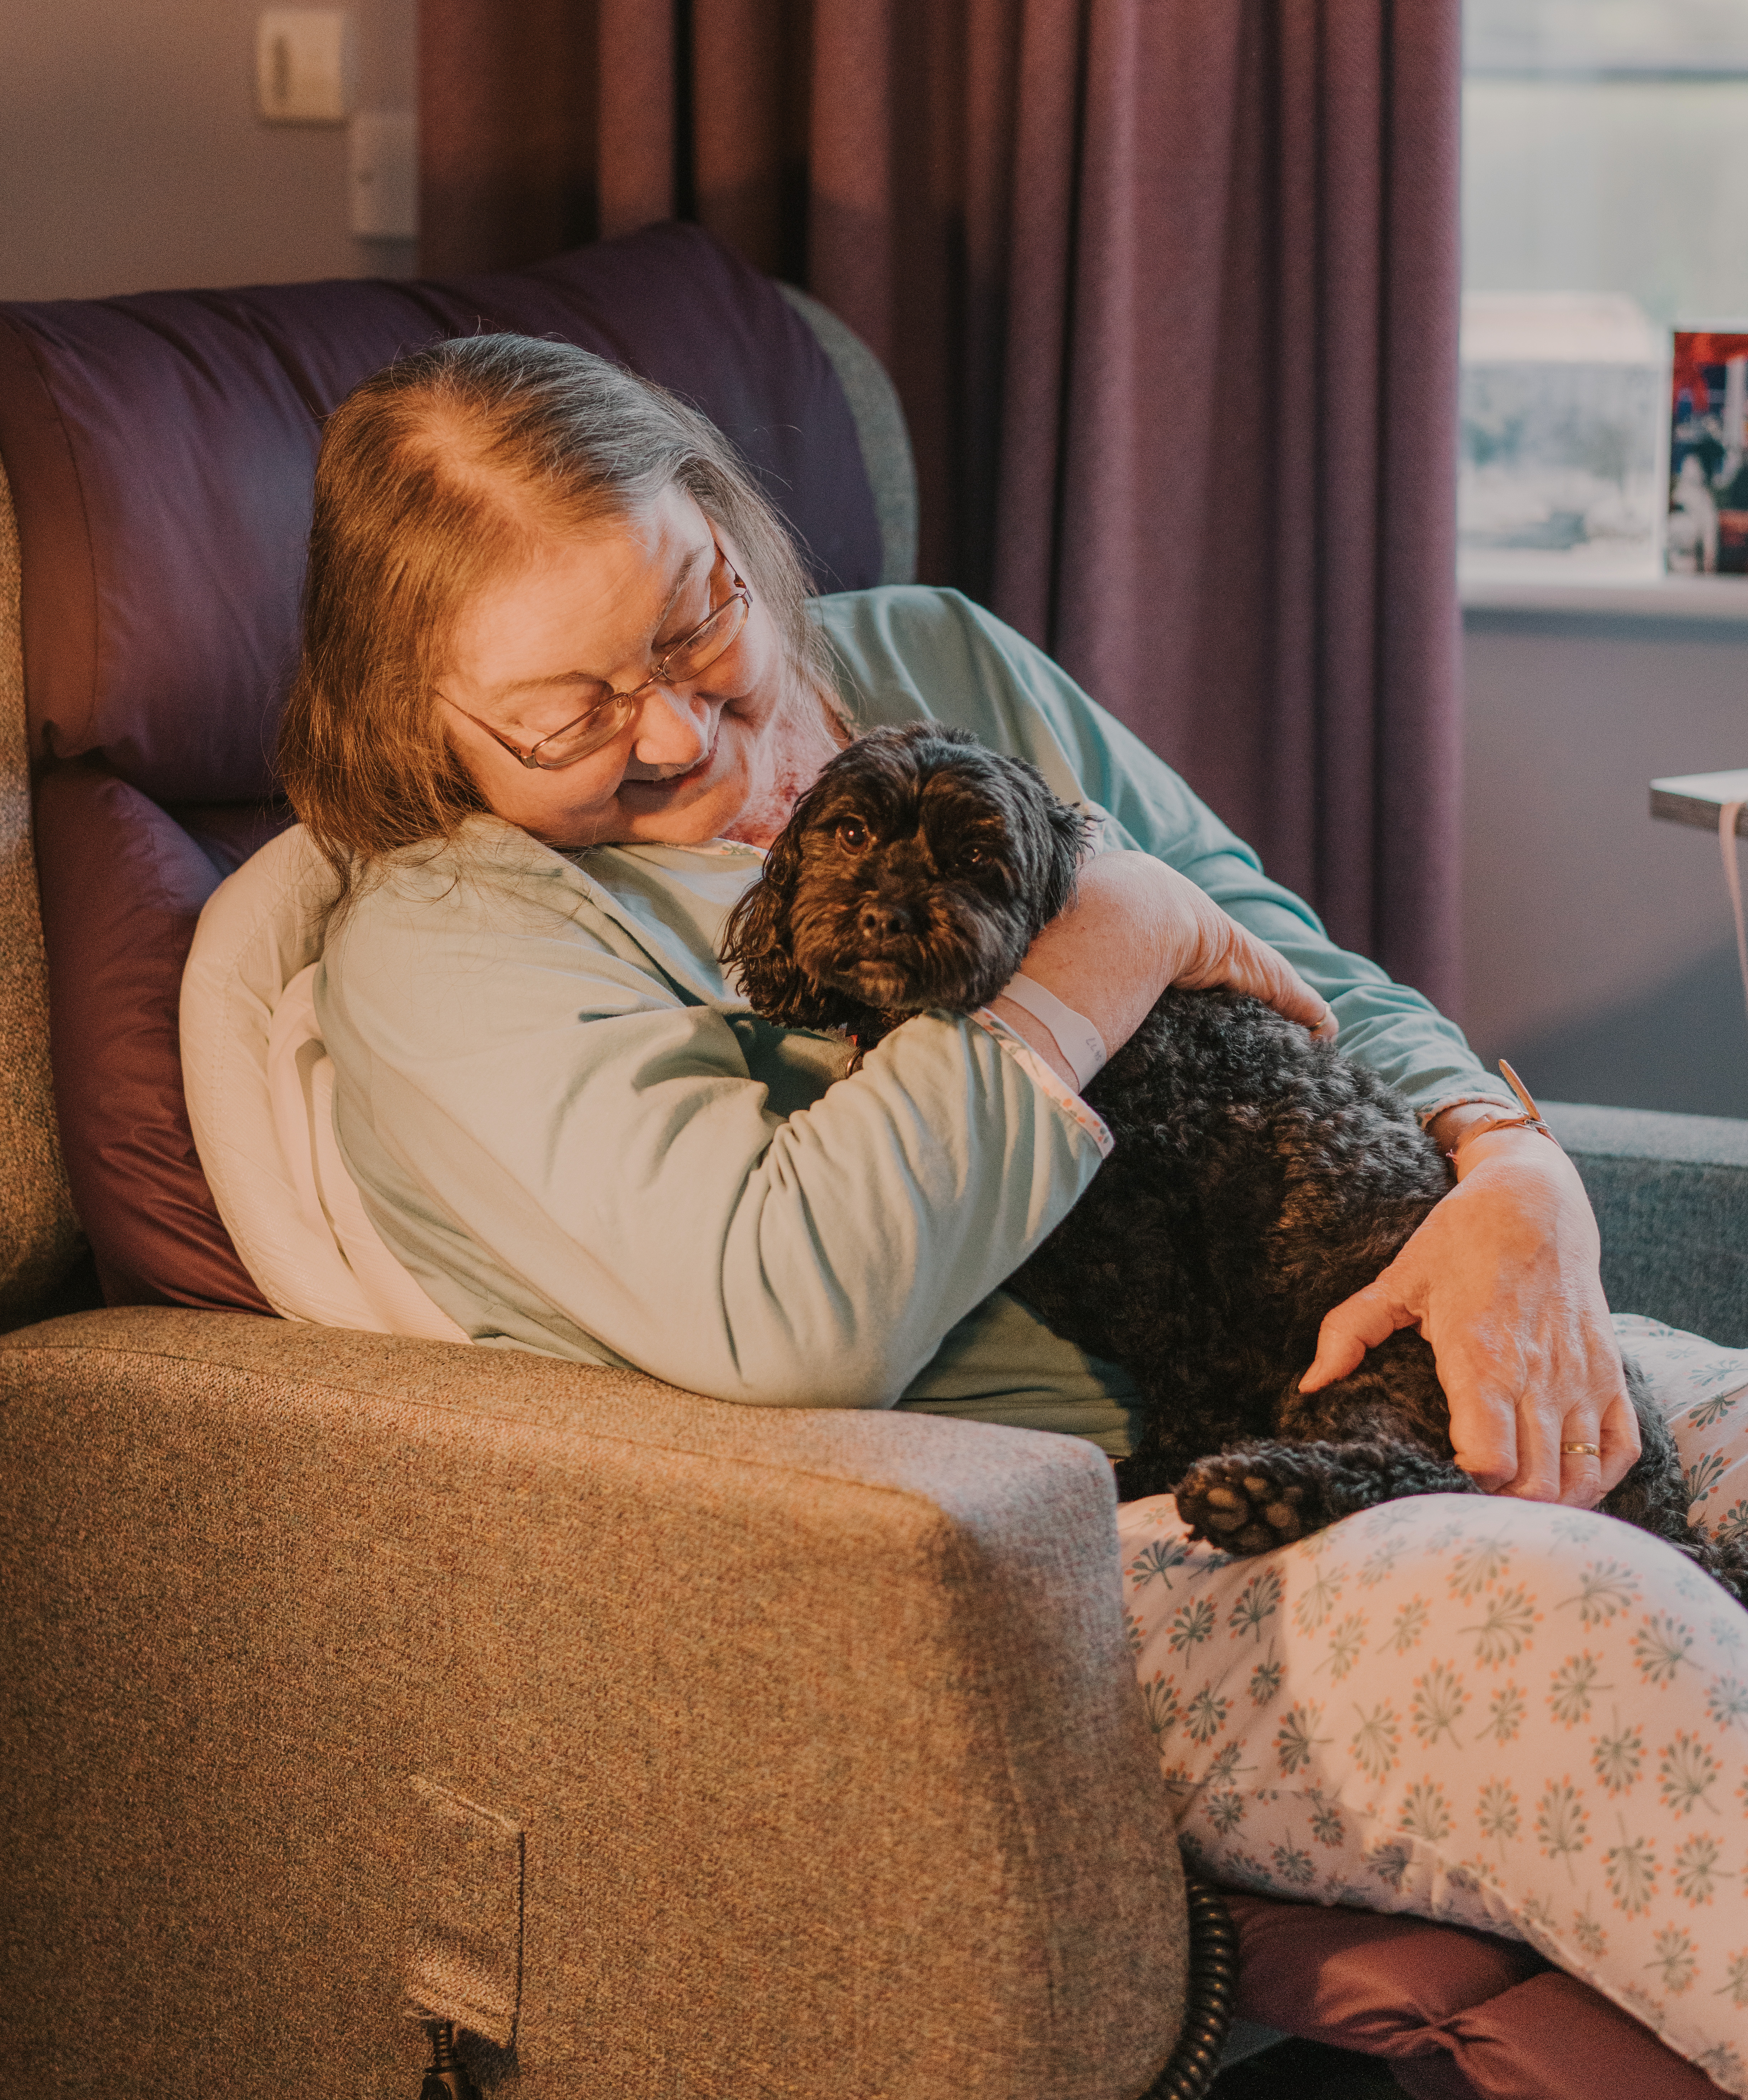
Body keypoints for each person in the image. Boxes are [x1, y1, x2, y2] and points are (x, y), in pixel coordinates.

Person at [280, 334, 1748, 2092]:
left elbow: (1278, 954)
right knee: (1600, 1635)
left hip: (1378, 1316)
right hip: (1073, 1554)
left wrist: (1515, 1176)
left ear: (733, 530)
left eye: (694, 623)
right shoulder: (452, 944)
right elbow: (791, 1308)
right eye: (566, 715)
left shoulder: (932, 656)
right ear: (407, 714)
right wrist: (1092, 954)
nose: (680, 730)